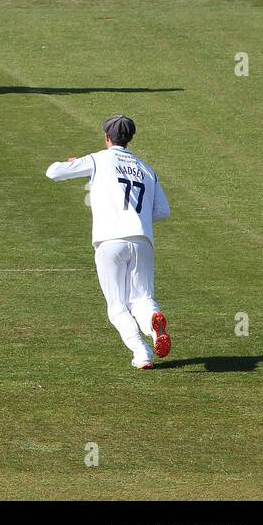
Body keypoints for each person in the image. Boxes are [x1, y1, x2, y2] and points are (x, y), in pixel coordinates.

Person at [45, 115, 173, 370]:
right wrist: (138, 218)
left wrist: (76, 165)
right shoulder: (148, 170)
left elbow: (53, 172)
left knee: (116, 306)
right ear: (130, 139)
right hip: (142, 239)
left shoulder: (98, 159)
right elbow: (163, 211)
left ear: (106, 137)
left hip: (109, 241)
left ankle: (141, 352)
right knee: (143, 298)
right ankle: (153, 325)